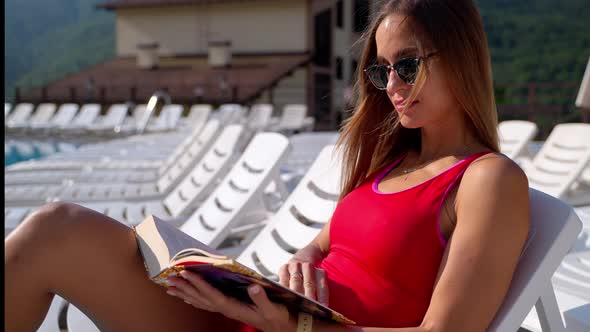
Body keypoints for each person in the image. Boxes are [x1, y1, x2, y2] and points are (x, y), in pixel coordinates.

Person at [5, 0, 530, 331]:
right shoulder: (394, 162)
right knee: (54, 229)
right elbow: (329, 243)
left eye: (408, 66)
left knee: (55, 232)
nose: (391, 86)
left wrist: (295, 327)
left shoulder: (487, 180)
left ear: (460, 58)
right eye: (380, 70)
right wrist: (296, 265)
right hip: (252, 316)